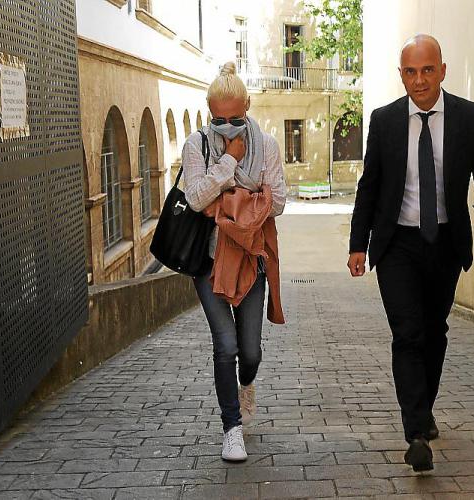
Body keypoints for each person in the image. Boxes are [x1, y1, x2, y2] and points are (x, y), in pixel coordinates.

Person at [347, 34, 474, 472]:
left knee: (434, 331)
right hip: (397, 244)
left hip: (445, 241)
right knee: (407, 334)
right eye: (410, 72)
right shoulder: (384, 121)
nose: (419, 80)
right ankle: (416, 433)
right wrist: (358, 243)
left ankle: (424, 411)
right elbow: (370, 185)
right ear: (401, 75)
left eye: (426, 70)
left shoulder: (468, 117)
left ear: (442, 71)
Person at [183, 62, 286, 462]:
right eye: (219, 120)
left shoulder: (268, 146)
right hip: (208, 262)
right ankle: (232, 429)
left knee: (251, 352)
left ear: (248, 105)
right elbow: (195, 199)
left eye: (235, 119)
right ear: (209, 112)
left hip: (251, 261)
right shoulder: (197, 145)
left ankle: (247, 385)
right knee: (225, 346)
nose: (227, 127)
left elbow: (278, 202)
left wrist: (224, 203)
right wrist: (230, 164)